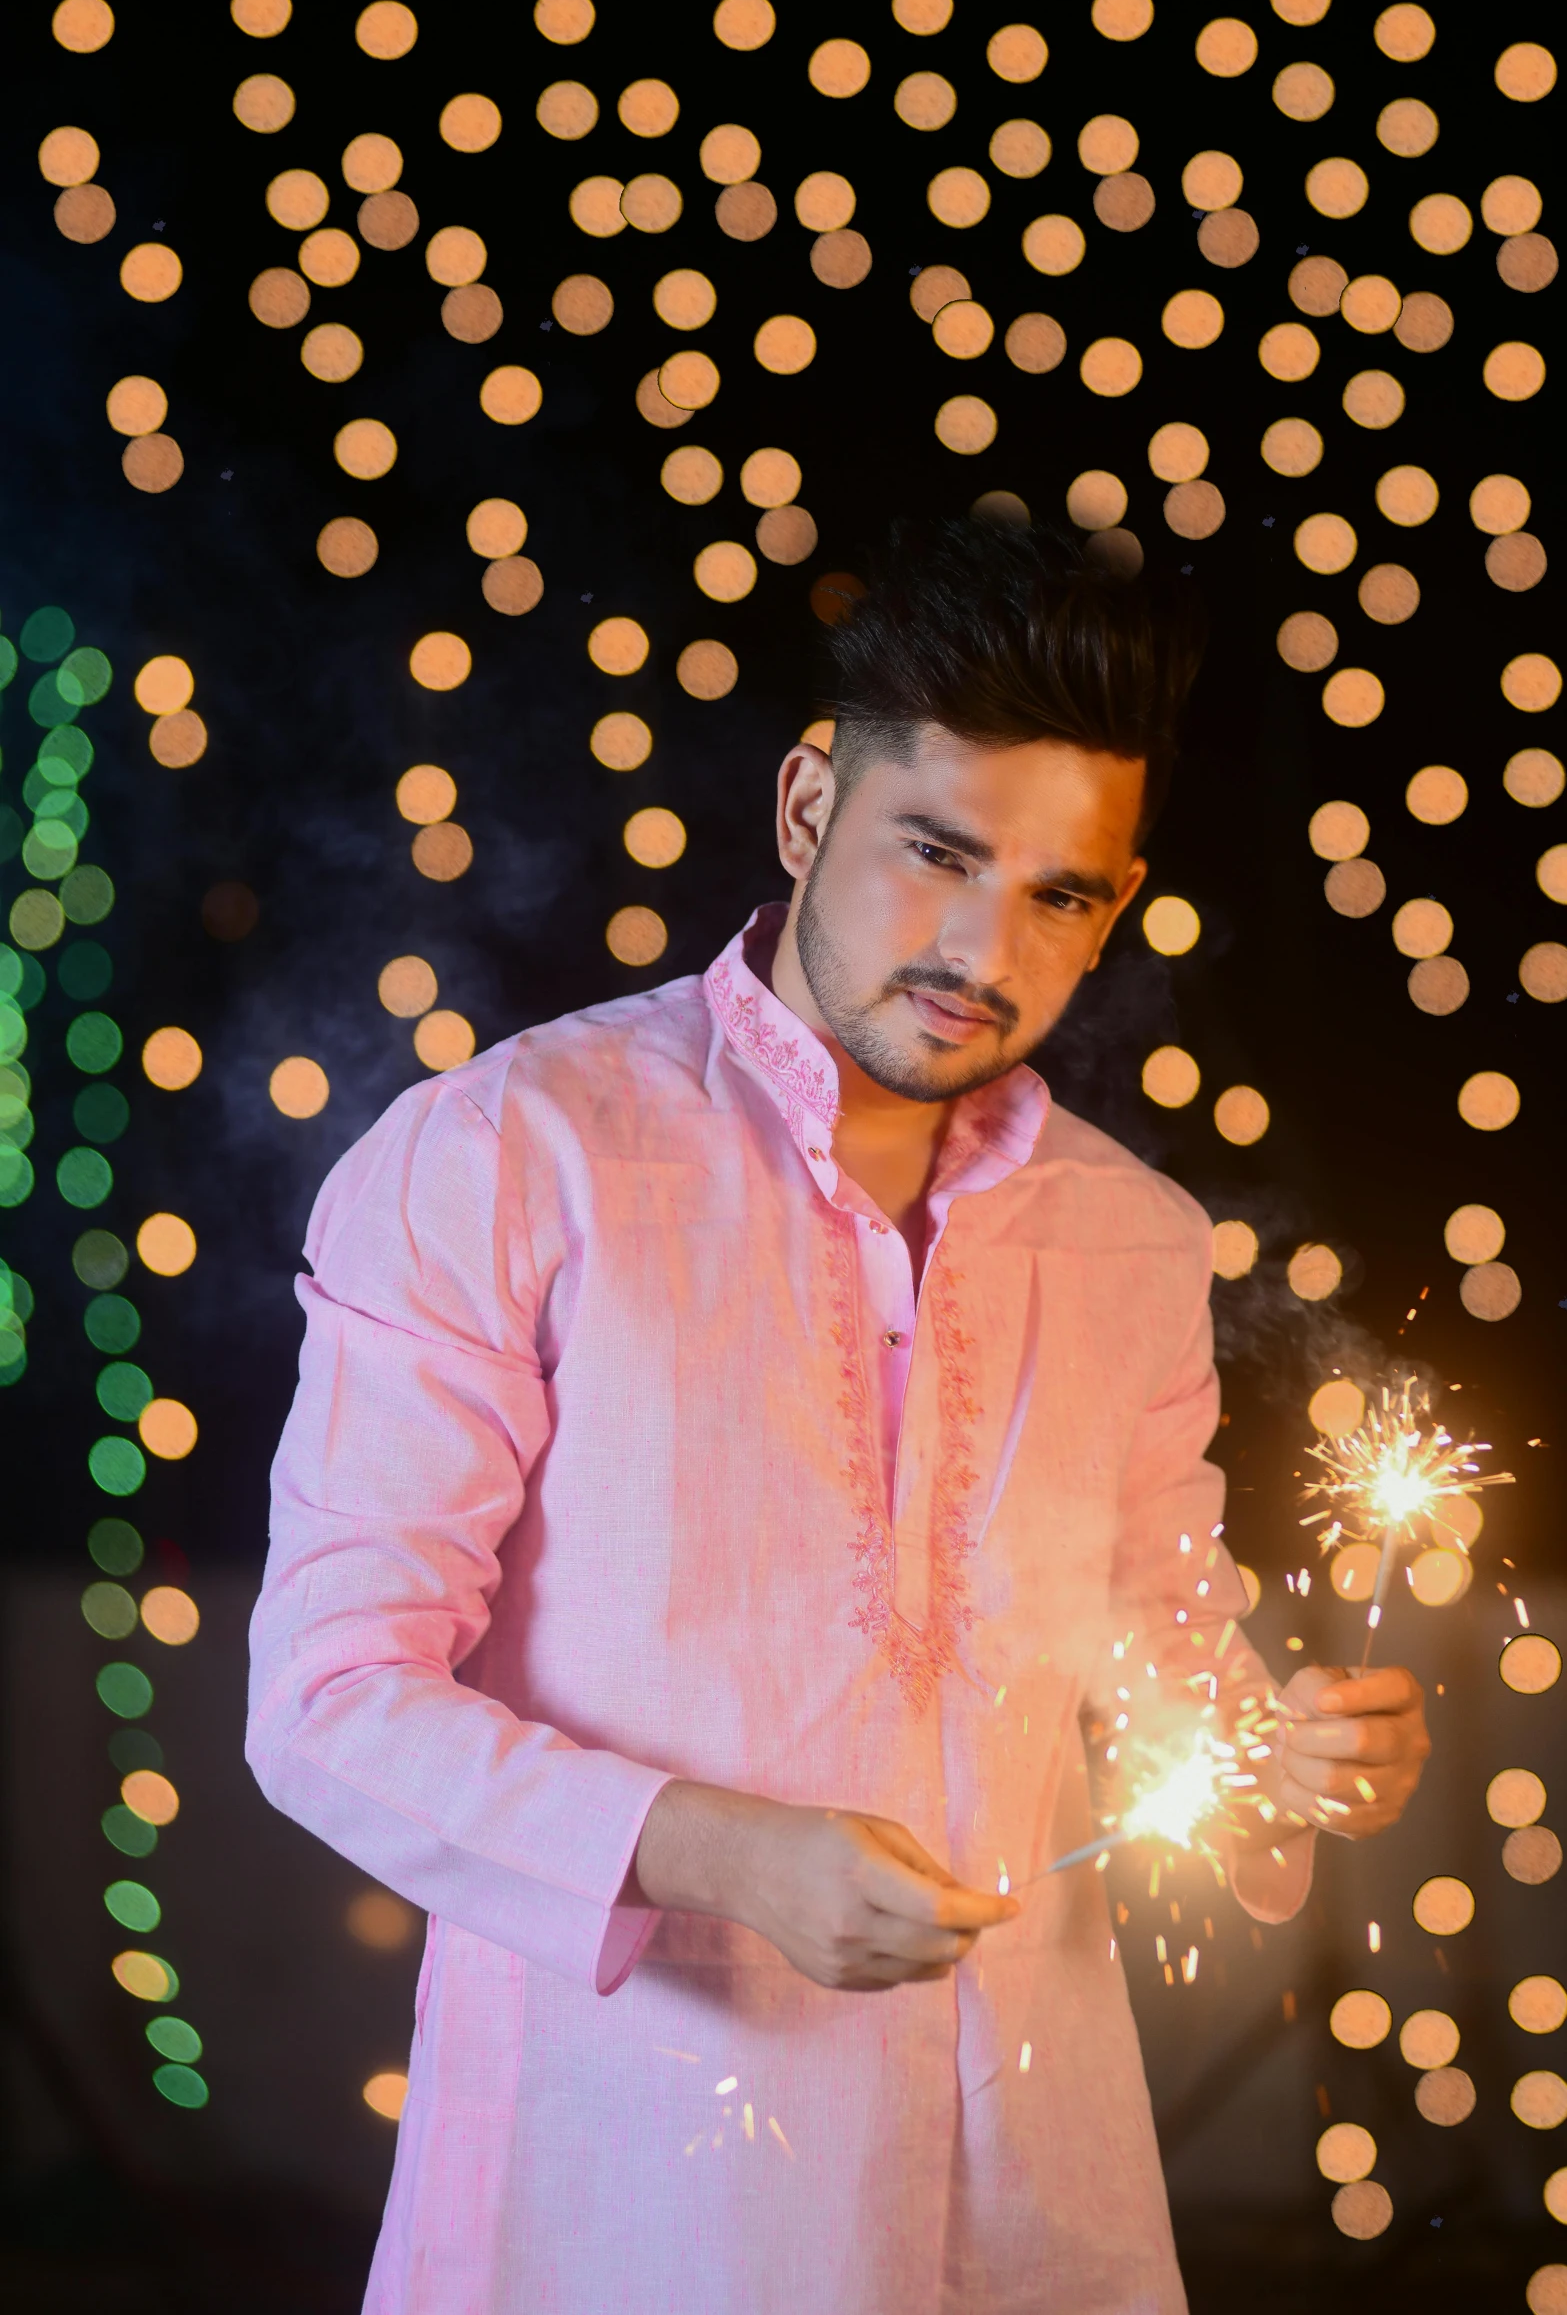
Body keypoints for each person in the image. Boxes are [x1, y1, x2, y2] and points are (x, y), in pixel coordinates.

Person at [248, 520, 1430, 2314]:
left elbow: (1161, 1652)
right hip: (627, 2192)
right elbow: (330, 1702)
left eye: (1061, 892)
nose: (981, 943)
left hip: (1039, 2199)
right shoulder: (510, 1157)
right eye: (934, 852)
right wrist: (723, 1850)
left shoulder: (1131, 1235)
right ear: (808, 807)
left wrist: (1286, 1750)